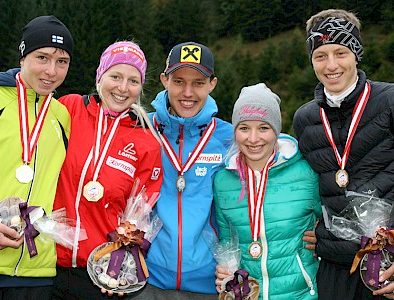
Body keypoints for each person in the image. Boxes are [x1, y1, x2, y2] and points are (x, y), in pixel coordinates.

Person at [292, 8, 394, 300]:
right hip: (336, 267)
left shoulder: (389, 102)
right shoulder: (305, 119)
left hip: (388, 265)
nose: (331, 65)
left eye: (341, 53)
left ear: (357, 54)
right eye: (320, 56)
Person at [51, 41, 163, 299]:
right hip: (47, 262)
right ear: (100, 75)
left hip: (99, 273)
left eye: (133, 81)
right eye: (115, 76)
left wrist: (119, 266)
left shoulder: (146, 141)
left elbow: (141, 213)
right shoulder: (69, 109)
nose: (123, 88)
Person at [129, 42, 233, 299]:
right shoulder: (141, 129)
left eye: (198, 83)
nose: (188, 92)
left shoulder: (229, 138)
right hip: (146, 280)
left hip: (209, 283)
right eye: (178, 81)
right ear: (165, 80)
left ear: (212, 84)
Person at [214, 83, 321, 299]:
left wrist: (324, 239)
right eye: (244, 128)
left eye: (263, 127)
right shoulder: (223, 180)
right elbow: (228, 243)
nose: (253, 139)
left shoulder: (306, 172)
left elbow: (331, 220)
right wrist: (225, 270)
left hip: (301, 293)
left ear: (276, 129)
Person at [0, 15, 73, 300]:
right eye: (43, 57)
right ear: (23, 54)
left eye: (62, 62)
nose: (51, 71)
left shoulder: (62, 115)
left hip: (36, 272)